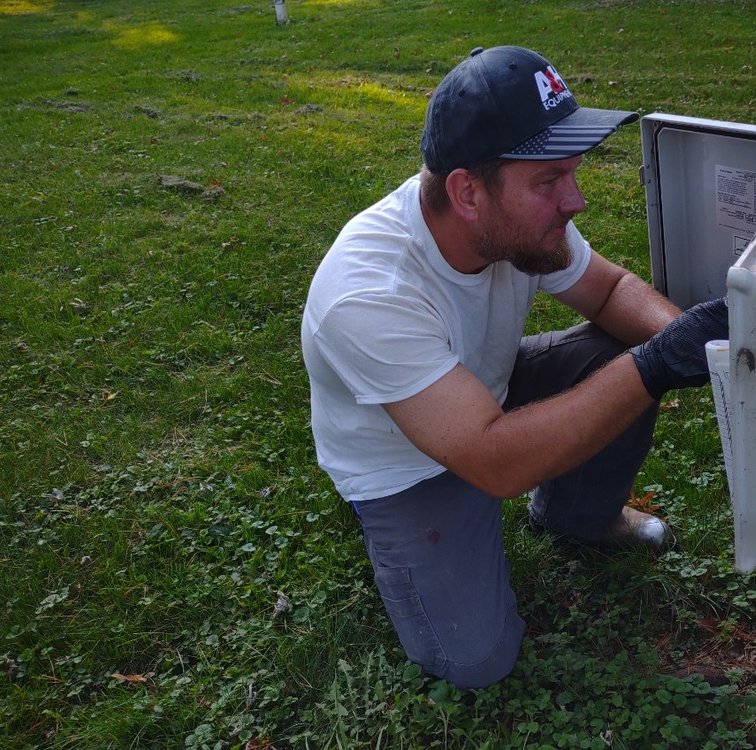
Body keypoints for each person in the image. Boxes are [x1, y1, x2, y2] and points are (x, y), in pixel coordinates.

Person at [301, 45, 728, 690]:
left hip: (484, 392)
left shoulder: (521, 225)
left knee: (619, 352)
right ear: (467, 192)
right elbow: (493, 460)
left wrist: (694, 344)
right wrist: (656, 365)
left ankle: (575, 516)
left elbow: (611, 293)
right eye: (550, 181)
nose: (575, 201)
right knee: (475, 661)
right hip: (403, 462)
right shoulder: (368, 291)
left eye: (572, 174)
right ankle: (390, 533)